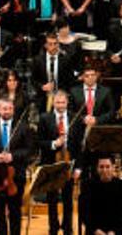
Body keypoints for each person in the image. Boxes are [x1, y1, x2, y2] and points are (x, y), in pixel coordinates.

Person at [0, 97, 34, 235]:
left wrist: (13, 156)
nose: (7, 111)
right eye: (4, 108)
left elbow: (30, 150)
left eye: (10, 108)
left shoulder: (23, 127)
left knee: (15, 211)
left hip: (16, 177)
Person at [38, 91, 79, 235]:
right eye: (57, 102)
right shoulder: (44, 118)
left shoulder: (75, 117)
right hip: (51, 164)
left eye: (63, 102)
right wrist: (54, 144)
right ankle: (53, 228)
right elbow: (40, 142)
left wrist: (78, 167)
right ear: (53, 103)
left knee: (68, 199)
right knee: (52, 199)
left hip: (69, 163)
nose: (60, 105)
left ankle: (68, 228)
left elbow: (79, 144)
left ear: (67, 102)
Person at [80, 157, 122, 235]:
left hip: (118, 231)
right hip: (95, 232)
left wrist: (114, 231)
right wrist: (96, 230)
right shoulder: (87, 186)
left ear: (113, 167)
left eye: (107, 166)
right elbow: (84, 212)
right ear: (97, 168)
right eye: (101, 167)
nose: (104, 170)